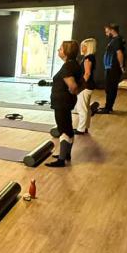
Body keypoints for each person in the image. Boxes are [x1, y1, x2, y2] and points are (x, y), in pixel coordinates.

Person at [46, 40, 81, 168]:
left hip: (62, 102)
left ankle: (61, 159)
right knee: (68, 127)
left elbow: (73, 86)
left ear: (66, 52)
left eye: (60, 49)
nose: (58, 50)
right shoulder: (74, 64)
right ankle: (66, 154)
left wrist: (70, 93)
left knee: (63, 129)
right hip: (65, 101)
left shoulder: (67, 67)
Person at [102, 23, 127, 113]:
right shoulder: (115, 40)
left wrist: (121, 66)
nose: (106, 34)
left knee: (111, 88)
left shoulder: (117, 40)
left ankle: (108, 108)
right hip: (110, 67)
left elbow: (119, 53)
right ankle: (108, 107)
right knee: (109, 88)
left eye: (107, 31)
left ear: (112, 30)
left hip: (113, 68)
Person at [74, 38, 97, 134]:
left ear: (88, 47)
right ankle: (85, 127)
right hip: (88, 85)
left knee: (81, 108)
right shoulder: (90, 57)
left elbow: (87, 73)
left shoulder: (88, 58)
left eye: (83, 46)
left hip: (85, 86)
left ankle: (81, 129)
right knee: (86, 107)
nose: (81, 48)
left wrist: (80, 85)